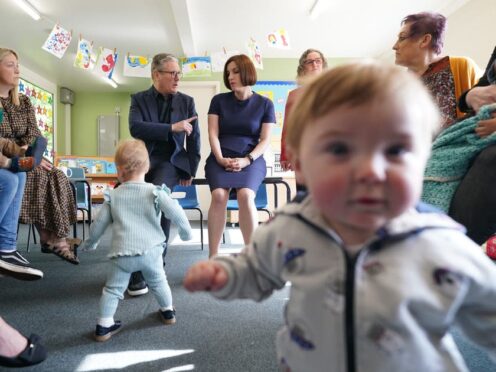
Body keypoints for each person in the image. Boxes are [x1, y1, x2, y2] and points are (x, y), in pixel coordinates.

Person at [184, 62, 496, 371]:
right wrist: (226, 274)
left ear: (425, 160)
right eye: (339, 150)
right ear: (302, 165)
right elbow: (256, 268)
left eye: (396, 151)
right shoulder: (292, 227)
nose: (370, 171)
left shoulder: (439, 242)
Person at [80, 139, 192, 342]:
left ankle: (104, 325)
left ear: (119, 170)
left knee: (113, 290)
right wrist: (186, 233)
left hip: (121, 255)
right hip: (151, 252)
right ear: (147, 167)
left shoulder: (113, 196)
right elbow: (177, 213)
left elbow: (98, 225)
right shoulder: (155, 192)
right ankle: (168, 312)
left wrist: (91, 243)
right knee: (159, 282)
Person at [128, 53, 200, 296]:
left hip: (170, 162)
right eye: (172, 73)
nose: (177, 77)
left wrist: (190, 168)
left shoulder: (187, 102)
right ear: (156, 74)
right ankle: (139, 264)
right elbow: (136, 127)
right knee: (137, 209)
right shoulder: (138, 99)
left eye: (179, 73)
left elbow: (195, 140)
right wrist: (171, 128)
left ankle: (153, 264)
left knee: (158, 199)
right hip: (142, 161)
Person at [0, 48, 79, 265]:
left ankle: (56, 237)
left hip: (25, 156)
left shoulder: (23, 102)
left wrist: (33, 153)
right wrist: (23, 151)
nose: (17, 70)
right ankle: (50, 239)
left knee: (56, 174)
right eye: (10, 65)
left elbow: (34, 133)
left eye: (18, 64)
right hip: (9, 159)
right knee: (36, 174)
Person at [204, 54, 275, 257]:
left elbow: (265, 140)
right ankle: (213, 255)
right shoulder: (218, 100)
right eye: (228, 72)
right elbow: (213, 133)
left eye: (235, 71)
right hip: (221, 156)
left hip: (251, 158)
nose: (230, 76)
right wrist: (219, 158)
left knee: (245, 195)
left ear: (246, 72)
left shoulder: (265, 104)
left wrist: (247, 160)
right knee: (218, 196)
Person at [393, 11, 481, 129]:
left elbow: (485, 109)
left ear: (425, 40)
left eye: (402, 38)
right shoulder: (400, 86)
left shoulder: (462, 66)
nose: (394, 46)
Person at [448, 46, 496, 246]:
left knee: (489, 159)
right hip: (480, 122)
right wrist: (471, 96)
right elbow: (475, 91)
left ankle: (461, 249)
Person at [280, 48, 327, 173]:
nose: (315, 64)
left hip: (329, 148)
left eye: (318, 61)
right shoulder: (294, 95)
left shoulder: (334, 90)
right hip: (302, 150)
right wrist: (284, 155)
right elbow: (287, 127)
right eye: (310, 62)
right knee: (305, 191)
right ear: (303, 68)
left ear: (323, 65)